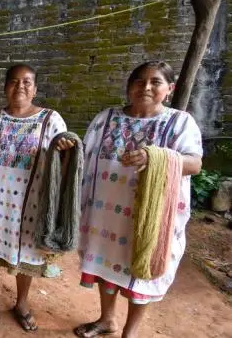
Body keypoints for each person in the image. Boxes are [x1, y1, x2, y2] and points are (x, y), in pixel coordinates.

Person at [74, 61, 202, 338]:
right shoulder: (105, 119)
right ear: (129, 86)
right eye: (138, 81)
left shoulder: (179, 122)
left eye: (155, 82)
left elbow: (194, 164)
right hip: (103, 215)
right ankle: (106, 319)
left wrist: (155, 157)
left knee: (141, 272)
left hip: (149, 217)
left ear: (170, 88)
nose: (145, 87)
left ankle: (129, 333)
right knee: (105, 265)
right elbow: (83, 156)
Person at [0, 64, 75, 332]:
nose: (20, 87)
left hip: (29, 203)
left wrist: (64, 150)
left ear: (35, 88)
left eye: (27, 82)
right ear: (5, 86)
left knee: (28, 251)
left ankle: (22, 302)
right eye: (14, 81)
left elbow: (65, 162)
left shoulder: (51, 120)